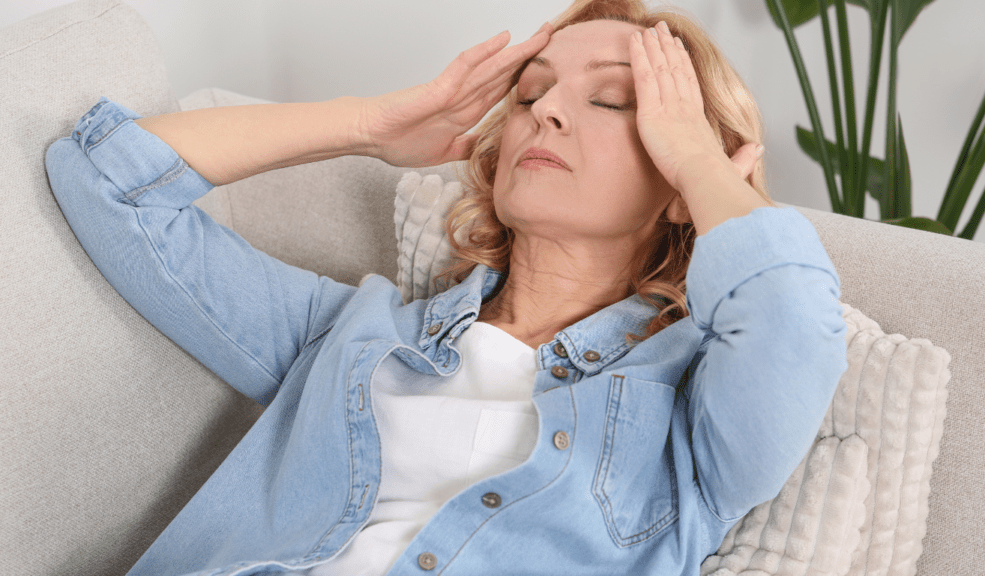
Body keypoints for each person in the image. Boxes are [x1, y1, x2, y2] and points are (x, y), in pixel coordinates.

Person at [45, 0, 848, 574]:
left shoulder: (691, 426)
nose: (548, 113)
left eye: (613, 100)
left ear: (677, 178)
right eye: (529, 94)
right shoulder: (347, 331)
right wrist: (367, 126)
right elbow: (105, 179)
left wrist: (704, 167)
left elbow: (798, 321)